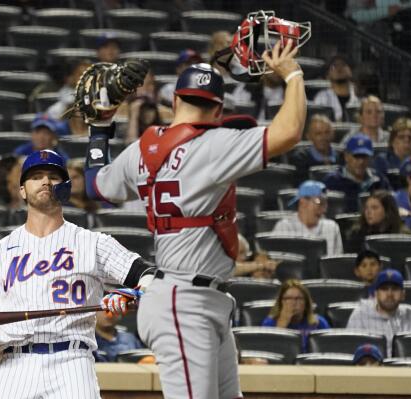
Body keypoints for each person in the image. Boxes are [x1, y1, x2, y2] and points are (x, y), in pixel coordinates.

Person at [85, 40, 306, 398]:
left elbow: (96, 185)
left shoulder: (145, 145)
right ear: (218, 110)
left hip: (196, 299)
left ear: (174, 102)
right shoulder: (217, 143)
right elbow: (289, 131)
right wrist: (292, 74)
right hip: (183, 302)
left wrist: (99, 128)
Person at [0, 150, 155, 399]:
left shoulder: (93, 242)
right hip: (15, 363)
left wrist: (133, 293)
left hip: (73, 360)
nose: (45, 181)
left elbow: (149, 275)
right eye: (36, 176)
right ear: (22, 190)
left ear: (65, 188)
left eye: (53, 176)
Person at [346, 269, 411, 357]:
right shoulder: (359, 315)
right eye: (384, 289)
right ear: (375, 294)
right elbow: (350, 353)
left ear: (403, 295)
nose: (389, 294)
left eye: (394, 289)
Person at [324, 134, 391, 212]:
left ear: (370, 158)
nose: (361, 162)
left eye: (364, 156)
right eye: (356, 156)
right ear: (346, 156)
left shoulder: (379, 180)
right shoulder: (332, 181)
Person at [273, 180, 343, 256]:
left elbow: (337, 263)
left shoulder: (332, 228)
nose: (324, 209)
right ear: (303, 202)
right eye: (319, 202)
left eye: (325, 202)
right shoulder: (284, 227)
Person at [262, 279, 330, 352]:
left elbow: (329, 350)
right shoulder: (269, 323)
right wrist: (282, 324)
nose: (293, 303)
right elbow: (269, 351)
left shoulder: (319, 322)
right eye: (288, 298)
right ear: (281, 302)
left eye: (298, 298)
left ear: (306, 302)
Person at [344, 190, 411, 252]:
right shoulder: (357, 234)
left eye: (374, 208)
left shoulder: (403, 236)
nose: (368, 212)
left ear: (388, 211)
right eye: (366, 207)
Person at [289, 114, 339, 182]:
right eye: (318, 134)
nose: (323, 137)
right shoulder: (300, 158)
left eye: (327, 132)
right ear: (309, 136)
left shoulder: (342, 157)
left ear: (333, 134)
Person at [313, 54, 360, 122]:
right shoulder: (321, 97)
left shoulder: (358, 95)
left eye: (343, 64)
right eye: (334, 66)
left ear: (351, 72)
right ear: (327, 75)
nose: (339, 68)